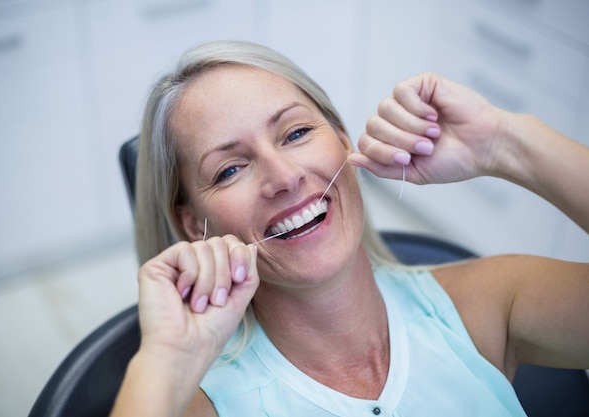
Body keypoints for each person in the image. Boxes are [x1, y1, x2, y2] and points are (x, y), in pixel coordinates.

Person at [110, 40, 589, 417]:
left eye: (296, 134)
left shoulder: (484, 305)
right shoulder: (203, 405)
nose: (285, 177)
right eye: (230, 169)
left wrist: (508, 145)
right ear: (194, 224)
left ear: (342, 141)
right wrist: (168, 363)